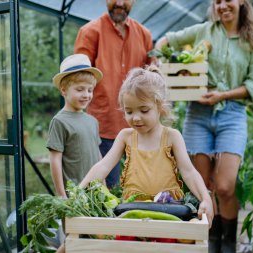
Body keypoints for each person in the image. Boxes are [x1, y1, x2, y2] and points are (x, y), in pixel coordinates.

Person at [155, 0, 253, 252]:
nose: (222, 5)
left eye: (228, 0)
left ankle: (228, 241)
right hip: (198, 114)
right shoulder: (203, 31)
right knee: (202, 185)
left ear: (241, 2)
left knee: (226, 186)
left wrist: (222, 96)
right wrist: (163, 66)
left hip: (232, 115)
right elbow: (163, 42)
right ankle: (211, 241)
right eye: (217, 1)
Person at [79, 65, 214, 226]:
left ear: (160, 107)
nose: (136, 118)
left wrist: (205, 199)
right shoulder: (125, 137)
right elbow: (103, 166)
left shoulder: (172, 137)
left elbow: (189, 172)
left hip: (169, 210)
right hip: (132, 212)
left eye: (144, 110)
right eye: (129, 112)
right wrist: (80, 191)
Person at [74, 0, 153, 189]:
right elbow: (78, 80)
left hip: (139, 126)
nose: (119, 2)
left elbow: (152, 73)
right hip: (104, 127)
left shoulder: (144, 35)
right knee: (109, 191)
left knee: (141, 187)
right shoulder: (90, 32)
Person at [46, 54, 103, 253]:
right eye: (80, 89)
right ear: (64, 90)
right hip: (73, 194)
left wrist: (103, 186)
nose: (86, 94)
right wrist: (62, 195)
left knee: (93, 238)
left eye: (90, 90)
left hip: (94, 193)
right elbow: (55, 159)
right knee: (73, 239)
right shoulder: (60, 121)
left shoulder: (92, 121)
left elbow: (97, 156)